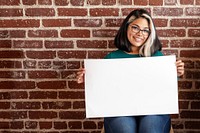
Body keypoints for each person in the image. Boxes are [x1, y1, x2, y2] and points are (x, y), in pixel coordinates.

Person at [76, 9, 184, 133]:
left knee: (150, 128)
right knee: (124, 129)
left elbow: (166, 87)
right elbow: (102, 89)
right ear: (127, 27)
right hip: (120, 111)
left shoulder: (157, 57)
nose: (140, 33)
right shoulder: (111, 58)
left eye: (145, 30)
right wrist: (88, 78)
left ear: (150, 34)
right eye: (135, 28)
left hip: (154, 110)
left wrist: (178, 73)